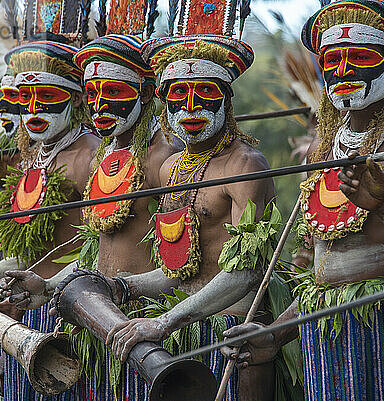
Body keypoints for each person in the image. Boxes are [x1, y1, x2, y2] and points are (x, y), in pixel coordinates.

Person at [222, 1, 384, 400]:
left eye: (361, 58)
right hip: (325, 348)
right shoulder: (321, 149)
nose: (344, 72)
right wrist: (274, 334)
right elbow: (326, 274)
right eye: (332, 60)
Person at [1, 33, 183, 400]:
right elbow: (92, 256)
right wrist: (49, 287)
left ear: (146, 94)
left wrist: (160, 318)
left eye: (114, 93)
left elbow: (180, 261)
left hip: (142, 320)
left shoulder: (166, 157)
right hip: (90, 313)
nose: (101, 106)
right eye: (96, 95)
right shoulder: (106, 154)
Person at [98, 33, 276, 401]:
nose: (190, 108)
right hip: (180, 332)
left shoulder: (245, 165)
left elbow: (246, 272)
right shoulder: (170, 169)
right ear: (162, 103)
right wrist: (124, 288)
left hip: (233, 337)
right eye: (178, 96)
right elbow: (178, 269)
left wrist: (165, 321)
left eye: (205, 94)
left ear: (227, 99)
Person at [0, 38, 99, 400]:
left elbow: (102, 252)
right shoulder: (31, 159)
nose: (34, 110)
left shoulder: (93, 156)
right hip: (26, 318)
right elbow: (9, 250)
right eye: (26, 99)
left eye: (47, 97)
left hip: (73, 318)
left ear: (77, 98)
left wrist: (49, 289)